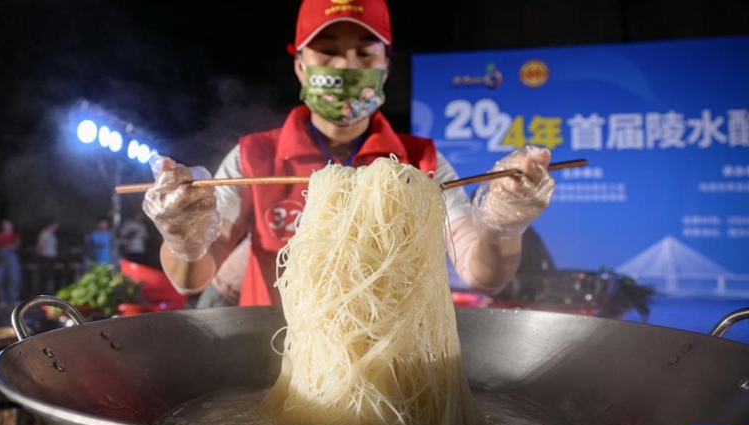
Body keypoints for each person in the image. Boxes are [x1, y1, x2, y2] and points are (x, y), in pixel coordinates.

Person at [142, 0, 555, 306]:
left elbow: (482, 275)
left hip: (388, 366)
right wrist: (185, 236)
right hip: (269, 360)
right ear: (300, 65)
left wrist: (502, 226)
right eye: (327, 50)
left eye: (364, 52)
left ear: (386, 67)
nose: (345, 66)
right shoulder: (254, 157)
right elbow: (191, 278)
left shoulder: (420, 161)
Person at [0, 218, 22, 306]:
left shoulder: (15, 235)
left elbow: (16, 245)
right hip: (0, 258)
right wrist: (2, 248)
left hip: (11, 258)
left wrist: (8, 247)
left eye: (8, 225)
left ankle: (13, 299)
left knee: (13, 279)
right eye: (4, 225)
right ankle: (2, 300)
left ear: (11, 226)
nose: (6, 227)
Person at [34, 218, 60, 294]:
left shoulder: (52, 234)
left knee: (49, 278)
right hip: (45, 258)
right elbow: (39, 246)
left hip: (51, 258)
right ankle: (41, 294)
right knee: (44, 277)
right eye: (56, 225)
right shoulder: (45, 233)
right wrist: (37, 256)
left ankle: (47, 293)